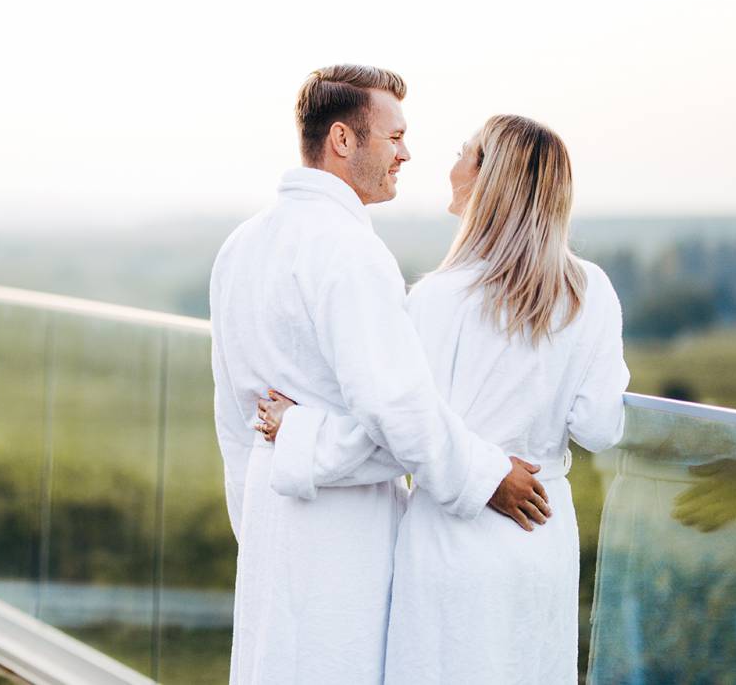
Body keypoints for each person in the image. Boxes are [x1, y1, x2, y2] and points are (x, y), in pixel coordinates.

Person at [256, 114, 630, 684]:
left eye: (464, 153)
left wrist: (299, 429)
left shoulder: (439, 299)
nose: (450, 165)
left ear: (488, 179)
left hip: (455, 544)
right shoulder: (591, 291)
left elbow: (397, 436)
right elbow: (601, 426)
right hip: (543, 533)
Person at [210, 66, 550, 684]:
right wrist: (485, 475)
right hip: (344, 542)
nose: (407, 153)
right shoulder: (350, 249)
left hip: (268, 522)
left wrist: (256, 518)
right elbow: (398, 411)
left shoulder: (241, 244)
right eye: (393, 137)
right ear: (343, 140)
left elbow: (234, 422)